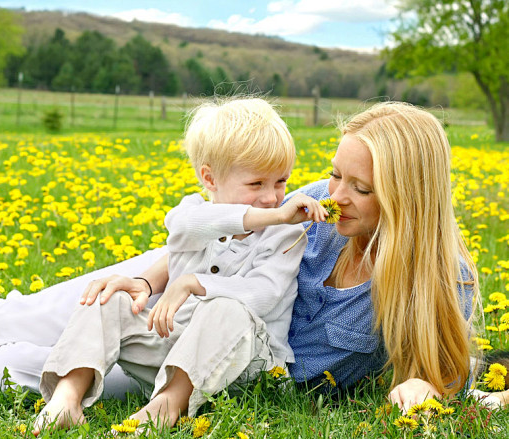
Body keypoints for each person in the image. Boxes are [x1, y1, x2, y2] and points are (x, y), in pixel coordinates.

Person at [0, 101, 501, 421]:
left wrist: (424, 387)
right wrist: (142, 276)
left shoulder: (442, 279)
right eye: (334, 175)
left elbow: (439, 367)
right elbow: (220, 236)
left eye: (360, 188)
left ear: (408, 196)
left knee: (20, 372)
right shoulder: (313, 208)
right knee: (36, 312)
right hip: (176, 281)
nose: (334, 196)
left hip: (216, 350)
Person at [32, 97, 328, 433]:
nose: (273, 198)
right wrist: (275, 214)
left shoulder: (285, 234)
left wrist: (192, 283)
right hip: (170, 348)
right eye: (256, 184)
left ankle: (167, 405)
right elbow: (189, 226)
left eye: (281, 182)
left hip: (246, 366)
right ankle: (67, 396)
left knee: (227, 308)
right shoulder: (191, 215)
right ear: (210, 178)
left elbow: (264, 294)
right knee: (108, 298)